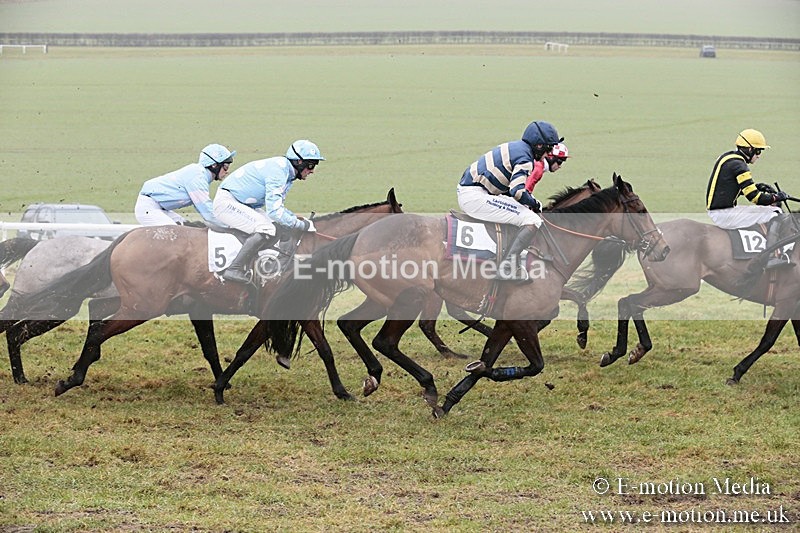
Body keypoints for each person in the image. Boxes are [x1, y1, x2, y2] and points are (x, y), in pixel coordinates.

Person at [457, 120, 563, 282]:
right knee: (532, 219)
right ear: (539, 146)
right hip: (475, 196)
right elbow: (517, 191)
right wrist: (535, 204)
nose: (547, 155)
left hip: (475, 191)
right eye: (548, 149)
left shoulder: (517, 147)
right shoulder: (525, 159)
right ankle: (507, 267)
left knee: (524, 212)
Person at [213, 139, 324, 283]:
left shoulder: (287, 173)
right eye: (310, 165)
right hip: (227, 203)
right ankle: (235, 268)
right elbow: (275, 212)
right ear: (299, 162)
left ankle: (267, 264)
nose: (312, 170)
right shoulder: (279, 172)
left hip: (242, 204)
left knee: (277, 226)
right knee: (266, 228)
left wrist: (295, 218)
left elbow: (279, 208)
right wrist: (301, 225)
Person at [706, 128, 793, 270]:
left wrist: (758, 186)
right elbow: (755, 198)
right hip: (725, 214)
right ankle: (771, 257)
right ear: (749, 149)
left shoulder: (728, 157)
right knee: (775, 212)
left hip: (720, 210)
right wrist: (777, 197)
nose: (759, 155)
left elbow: (728, 188)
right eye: (758, 151)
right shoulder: (740, 166)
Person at [135, 144, 235, 227]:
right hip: (149, 207)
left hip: (159, 208)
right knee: (175, 235)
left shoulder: (200, 175)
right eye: (225, 167)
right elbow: (207, 213)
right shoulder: (197, 177)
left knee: (188, 230)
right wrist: (230, 226)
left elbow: (203, 209)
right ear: (214, 165)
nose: (227, 171)